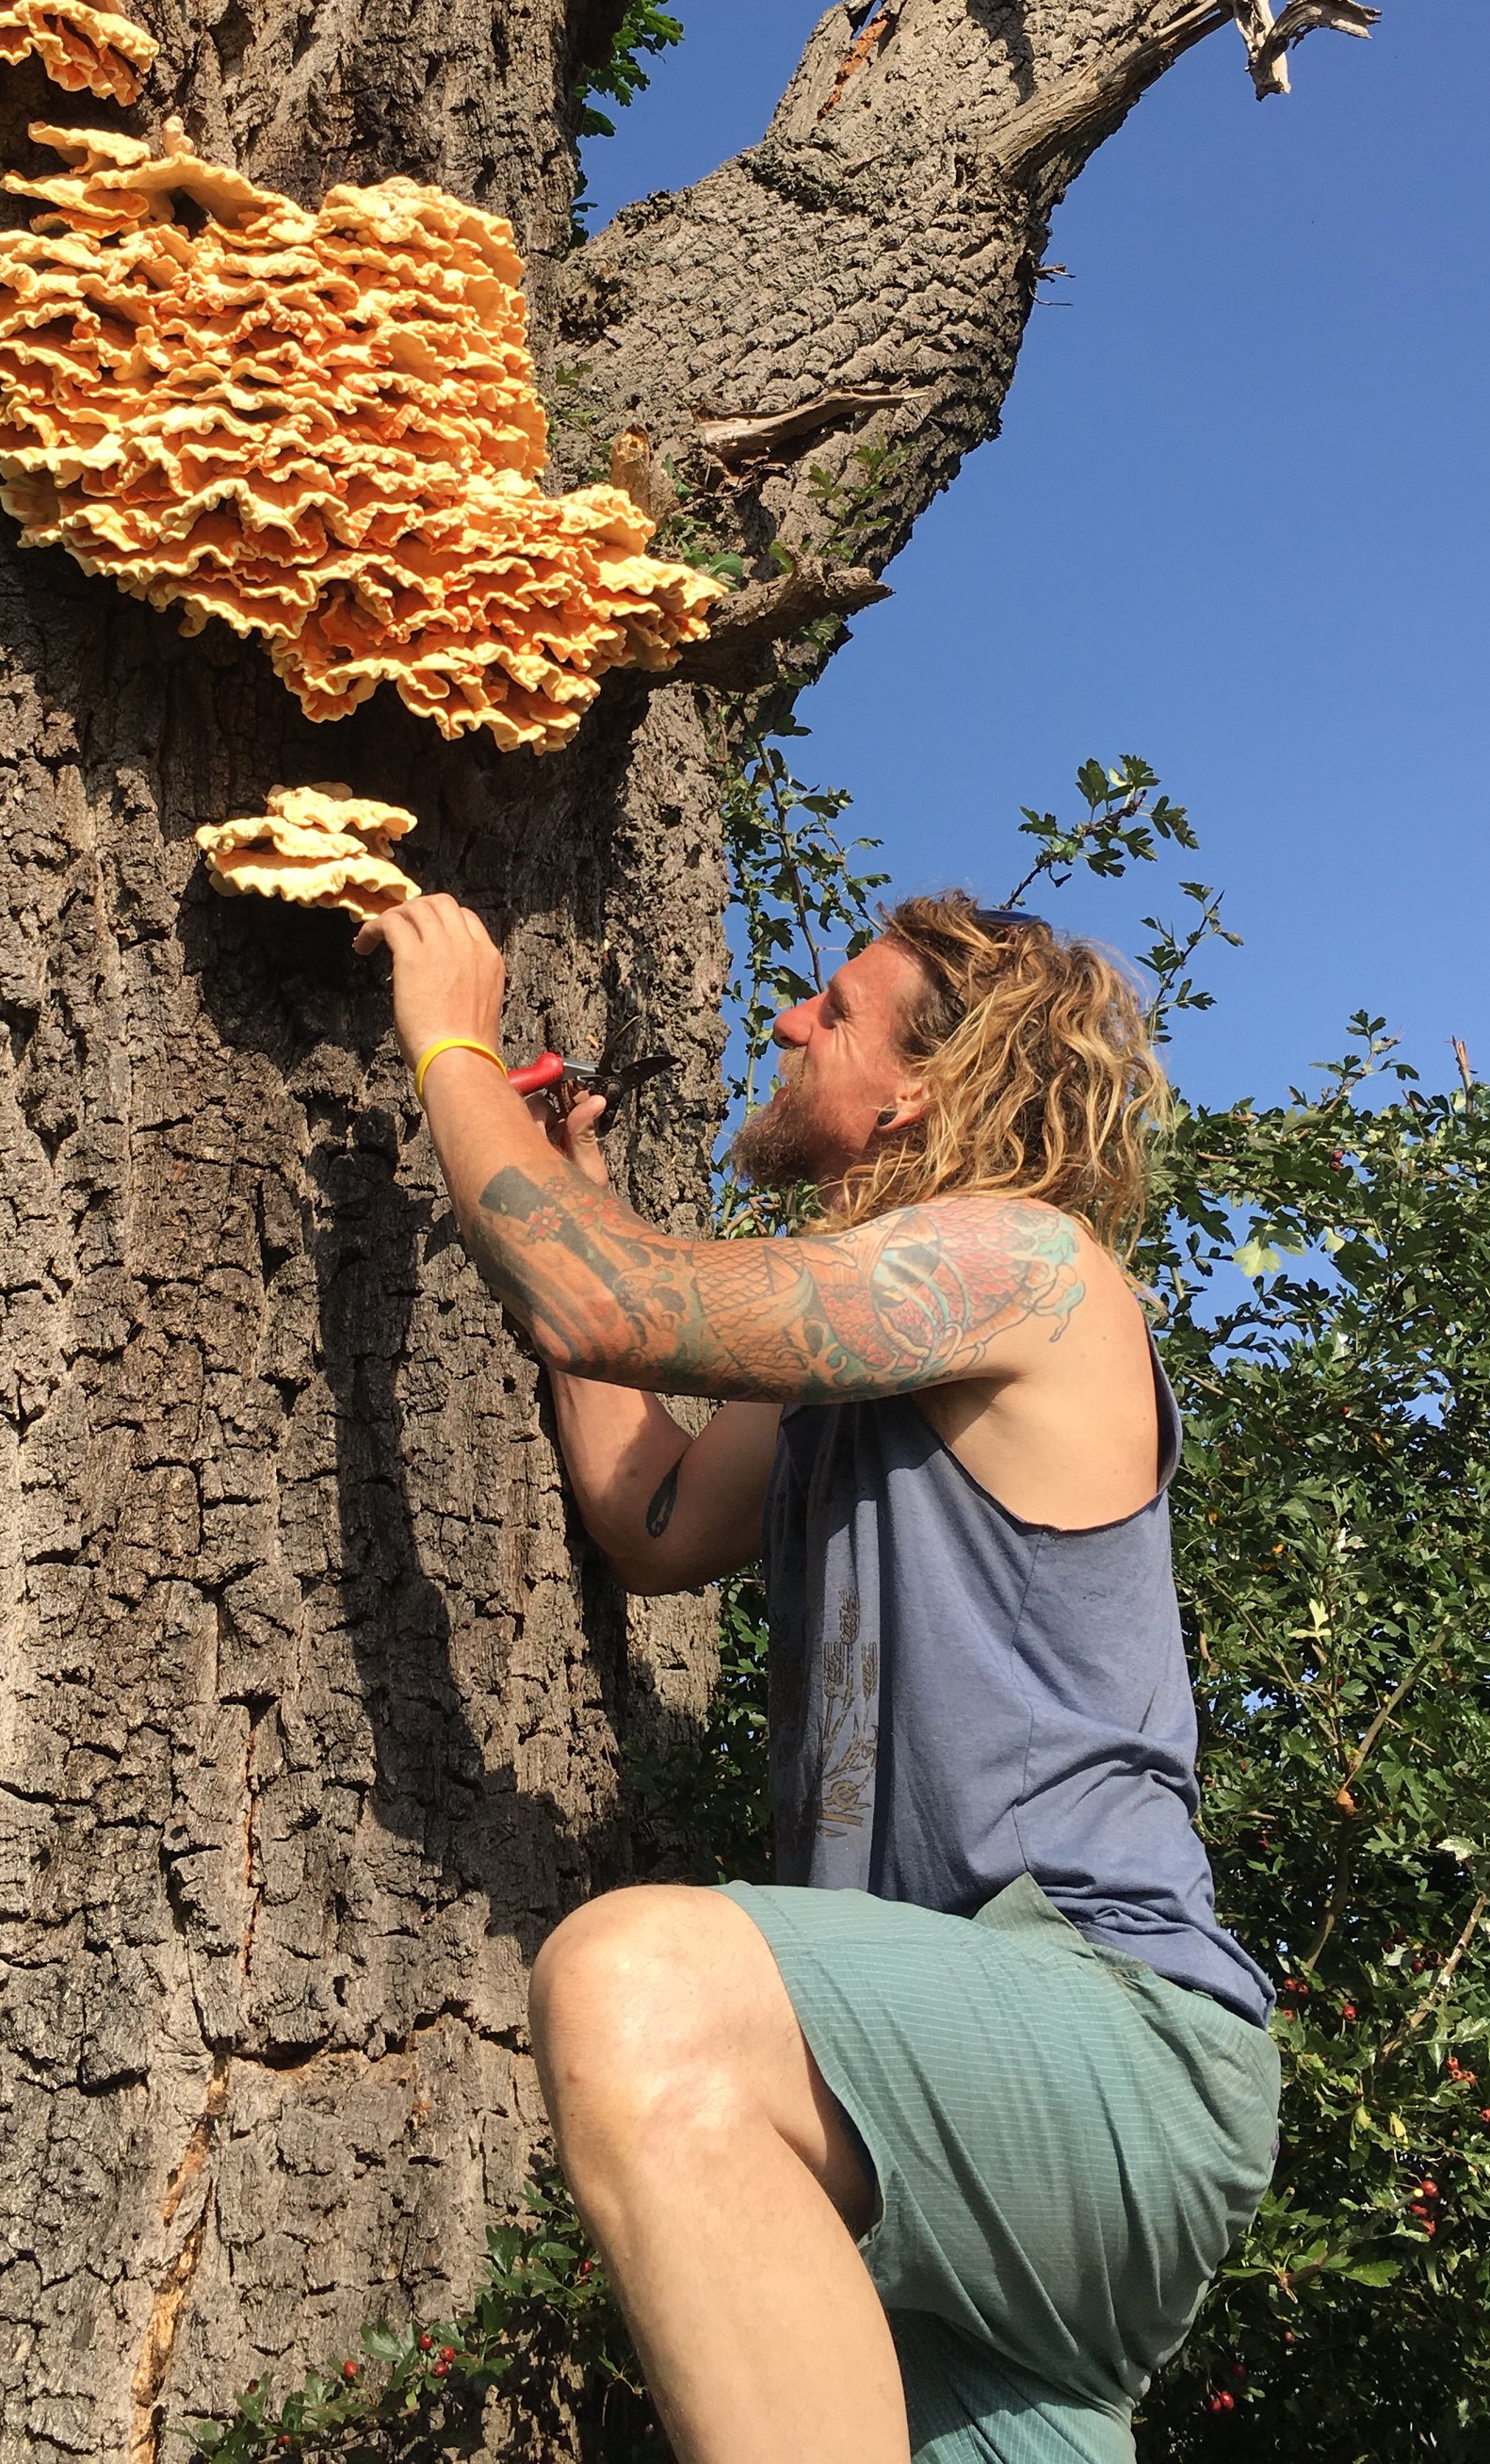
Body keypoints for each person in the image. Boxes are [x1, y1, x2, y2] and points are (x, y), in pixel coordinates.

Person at [355, 887, 1278, 2464]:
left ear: (922, 1083)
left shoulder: (1024, 1268)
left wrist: (448, 1031)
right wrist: (573, 1178)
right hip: (925, 2124)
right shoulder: (866, 1357)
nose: (789, 1022)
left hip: (1105, 2024)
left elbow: (607, 1295)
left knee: (635, 1987)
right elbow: (650, 1517)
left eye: (834, 1009)